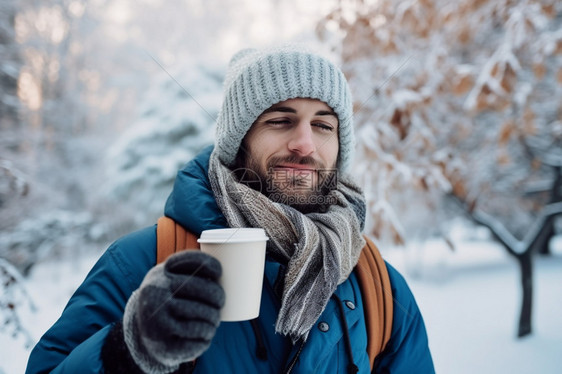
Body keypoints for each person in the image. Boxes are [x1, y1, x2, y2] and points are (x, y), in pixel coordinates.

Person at [26, 46, 435, 373]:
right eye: (280, 120)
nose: (305, 144)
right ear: (238, 140)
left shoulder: (376, 285)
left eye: (324, 125)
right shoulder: (143, 261)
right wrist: (126, 350)